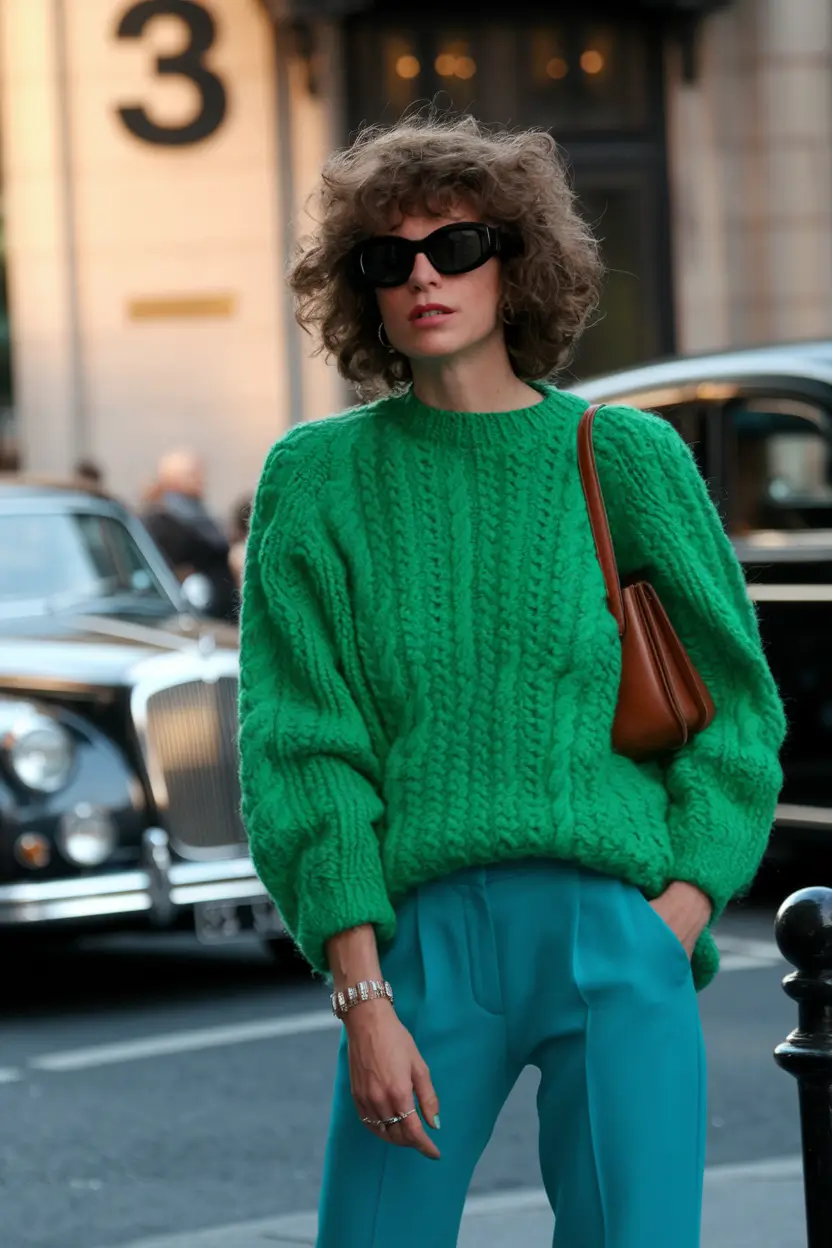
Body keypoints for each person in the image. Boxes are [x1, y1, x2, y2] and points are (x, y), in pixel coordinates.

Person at [237, 115, 786, 1248]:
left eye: (457, 246)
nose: (424, 276)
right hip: (425, 948)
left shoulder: (625, 457)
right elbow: (302, 747)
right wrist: (360, 993)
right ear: (364, 291)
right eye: (389, 259)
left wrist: (674, 914)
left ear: (516, 261)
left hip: (612, 931)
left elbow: (735, 714)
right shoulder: (317, 479)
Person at [141, 449, 236, 622]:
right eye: (192, 474)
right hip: (196, 612)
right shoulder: (164, 520)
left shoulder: (197, 512)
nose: (201, 480)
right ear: (173, 479)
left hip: (218, 607)